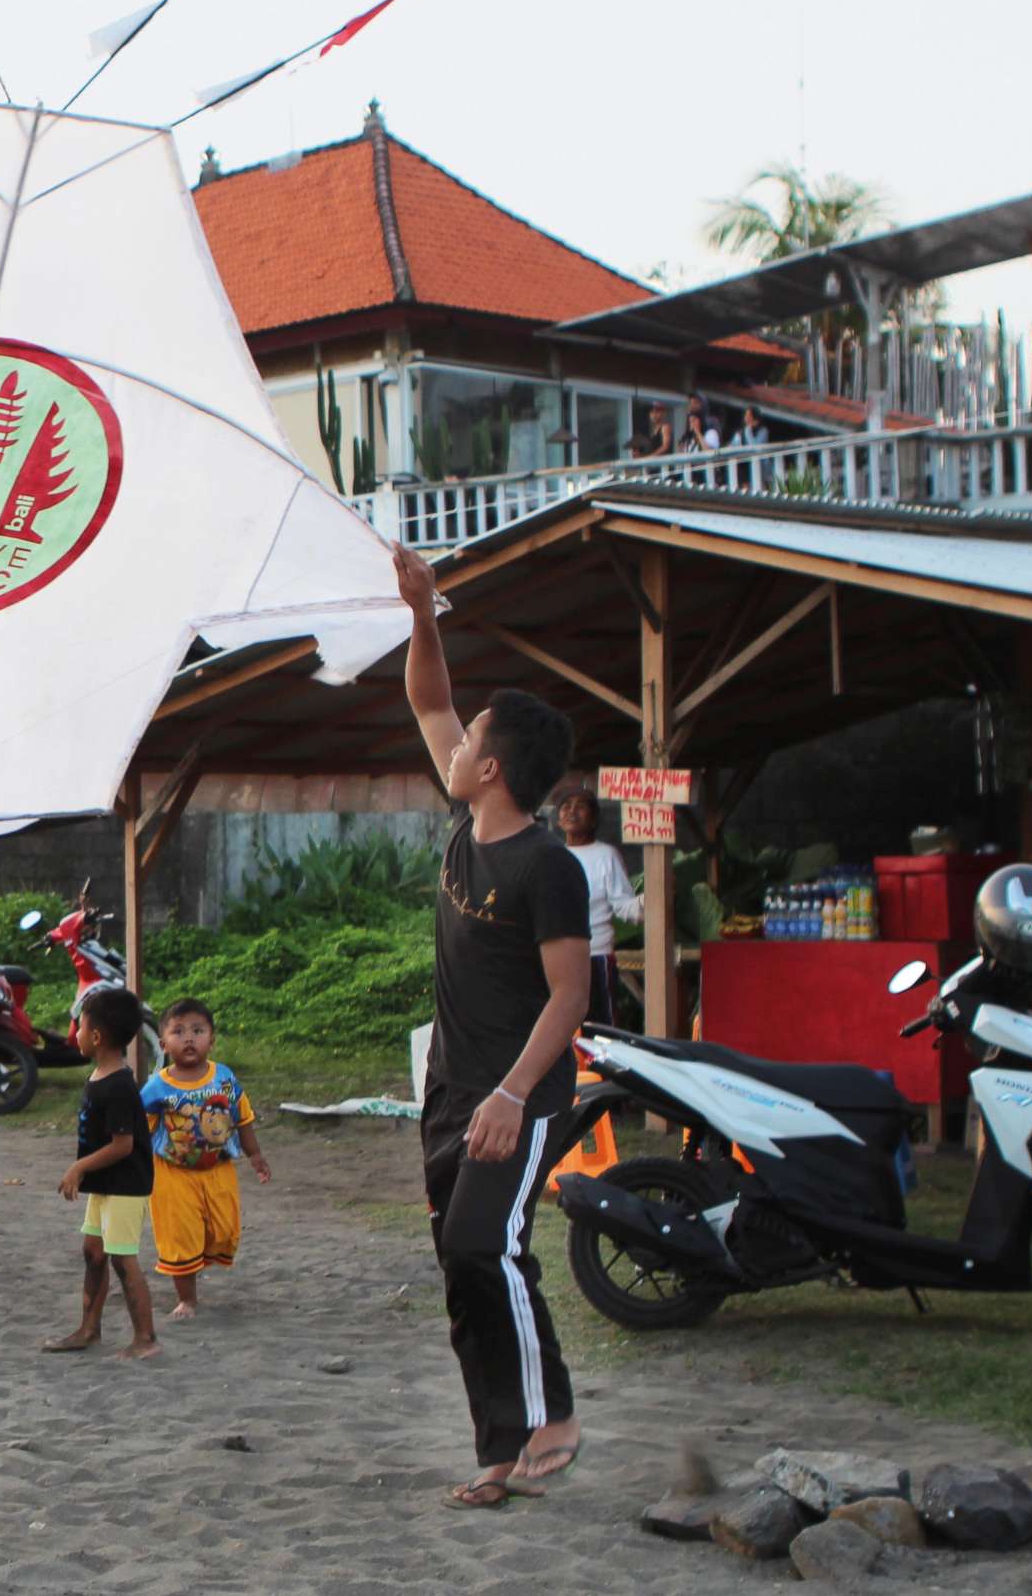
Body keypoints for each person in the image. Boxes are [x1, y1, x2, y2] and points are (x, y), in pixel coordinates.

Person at [394, 542, 592, 1511]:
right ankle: (499, 1449)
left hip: (522, 1093)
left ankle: (549, 1410)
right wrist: (422, 612)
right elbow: (430, 702)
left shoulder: (546, 867)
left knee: (483, 1241)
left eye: (473, 739)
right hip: (451, 1087)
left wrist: (514, 1096)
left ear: (496, 766)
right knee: (464, 1261)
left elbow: (569, 997)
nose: (455, 745)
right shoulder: (470, 823)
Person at [42, 986, 160, 1361]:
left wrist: (79, 1166)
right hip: (105, 1183)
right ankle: (89, 1329)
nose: (71, 1033)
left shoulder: (121, 1085)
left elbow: (123, 1145)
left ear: (96, 1036)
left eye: (78, 1026)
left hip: (125, 1185)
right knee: (93, 1252)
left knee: (122, 1259)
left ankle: (146, 1339)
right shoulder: (99, 1075)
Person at [139, 997, 270, 1320]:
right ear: (163, 1044)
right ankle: (187, 1299)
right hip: (173, 1174)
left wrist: (255, 1154)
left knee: (224, 1231)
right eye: (178, 1031)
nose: (188, 1038)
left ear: (211, 1039)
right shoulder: (157, 1086)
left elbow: (242, 1118)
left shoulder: (224, 1077)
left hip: (218, 1169)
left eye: (197, 1031)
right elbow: (138, 1129)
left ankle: (199, 1257)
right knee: (180, 1237)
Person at [556, 791, 642, 1027]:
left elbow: (625, 905)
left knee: (601, 1028)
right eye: (566, 805)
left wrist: (653, 898)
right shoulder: (551, 856)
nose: (572, 811)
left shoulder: (606, 855)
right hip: (556, 958)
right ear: (558, 819)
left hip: (595, 956)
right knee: (560, 1030)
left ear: (594, 819)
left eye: (580, 806)